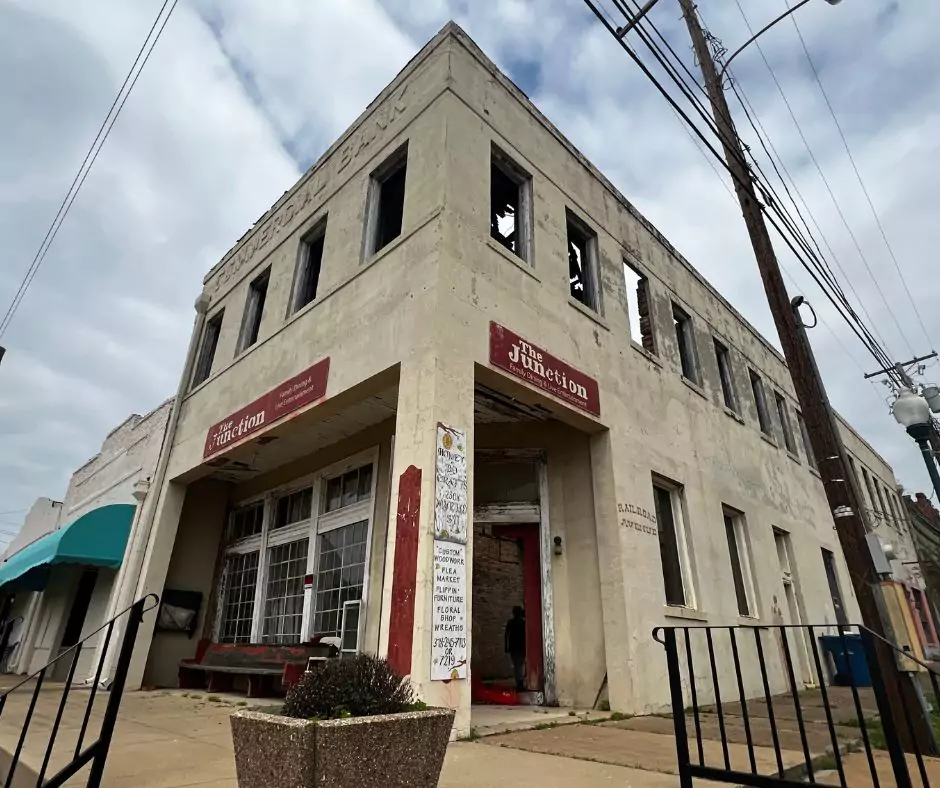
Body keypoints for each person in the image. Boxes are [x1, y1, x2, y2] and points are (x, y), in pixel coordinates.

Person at [504, 606, 526, 691]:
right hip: (521, 647)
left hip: (514, 647)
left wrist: (506, 646)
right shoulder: (523, 623)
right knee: (520, 665)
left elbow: (506, 635)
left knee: (517, 665)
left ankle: (519, 682)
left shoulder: (511, 622)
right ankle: (520, 682)